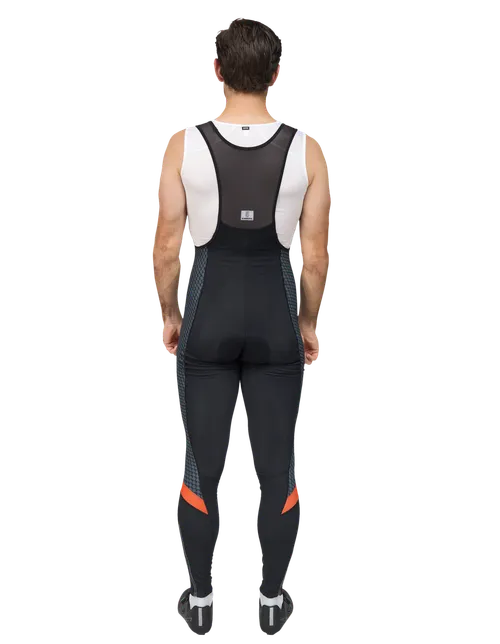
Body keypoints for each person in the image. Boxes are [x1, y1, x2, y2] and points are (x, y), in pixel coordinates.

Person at [152, 16, 332, 636]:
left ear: (216, 70)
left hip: (208, 315)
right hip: (276, 317)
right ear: (277, 74)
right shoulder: (308, 149)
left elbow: (168, 247)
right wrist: (308, 324)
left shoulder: (183, 144)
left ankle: (201, 602)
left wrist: (171, 315)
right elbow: (314, 258)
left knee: (200, 464)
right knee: (279, 468)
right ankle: (272, 603)